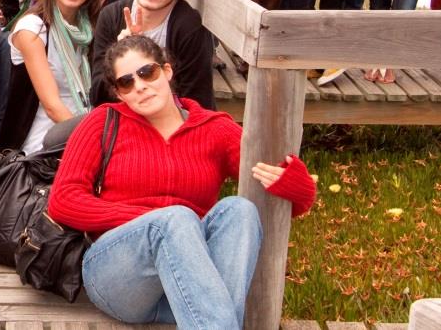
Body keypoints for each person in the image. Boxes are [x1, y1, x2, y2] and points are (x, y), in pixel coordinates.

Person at [48, 35, 316, 329]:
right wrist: (156, 222)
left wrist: (294, 184)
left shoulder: (215, 129)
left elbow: (288, 197)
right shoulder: (103, 121)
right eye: (126, 82)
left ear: (166, 71)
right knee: (175, 218)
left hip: (189, 286)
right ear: (120, 93)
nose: (140, 86)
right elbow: (63, 201)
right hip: (119, 278)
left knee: (240, 210)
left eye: (147, 72)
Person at [91, 0, 216, 109]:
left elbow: (197, 101)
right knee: (56, 136)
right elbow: (97, 95)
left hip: (171, 123)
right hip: (122, 116)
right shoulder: (111, 16)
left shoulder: (189, 27)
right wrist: (119, 54)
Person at [0, 0, 101, 154]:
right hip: (43, 147)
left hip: (86, 128)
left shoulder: (89, 28)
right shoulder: (32, 28)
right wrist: (94, 143)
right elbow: (52, 106)